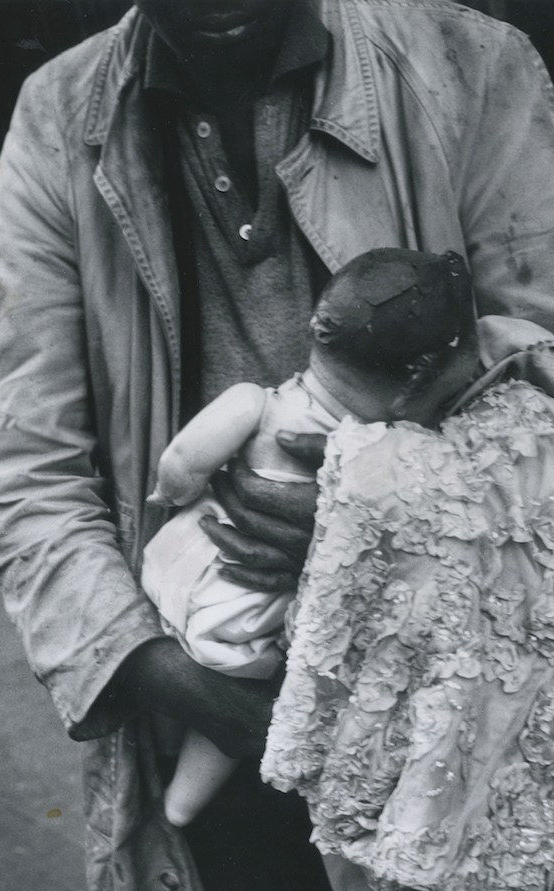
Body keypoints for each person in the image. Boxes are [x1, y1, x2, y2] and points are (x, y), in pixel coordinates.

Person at [0, 2, 554, 891]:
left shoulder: (467, 68)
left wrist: (390, 522)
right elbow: (28, 468)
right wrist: (156, 672)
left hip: (470, 731)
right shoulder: (61, 119)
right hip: (217, 717)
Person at [143, 247, 477, 828]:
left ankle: (175, 784)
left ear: (316, 328)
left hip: (191, 561)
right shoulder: (383, 449)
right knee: (244, 696)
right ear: (414, 382)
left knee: (203, 682)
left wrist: (168, 495)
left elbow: (182, 462)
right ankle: (184, 801)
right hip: (248, 614)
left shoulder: (255, 402)